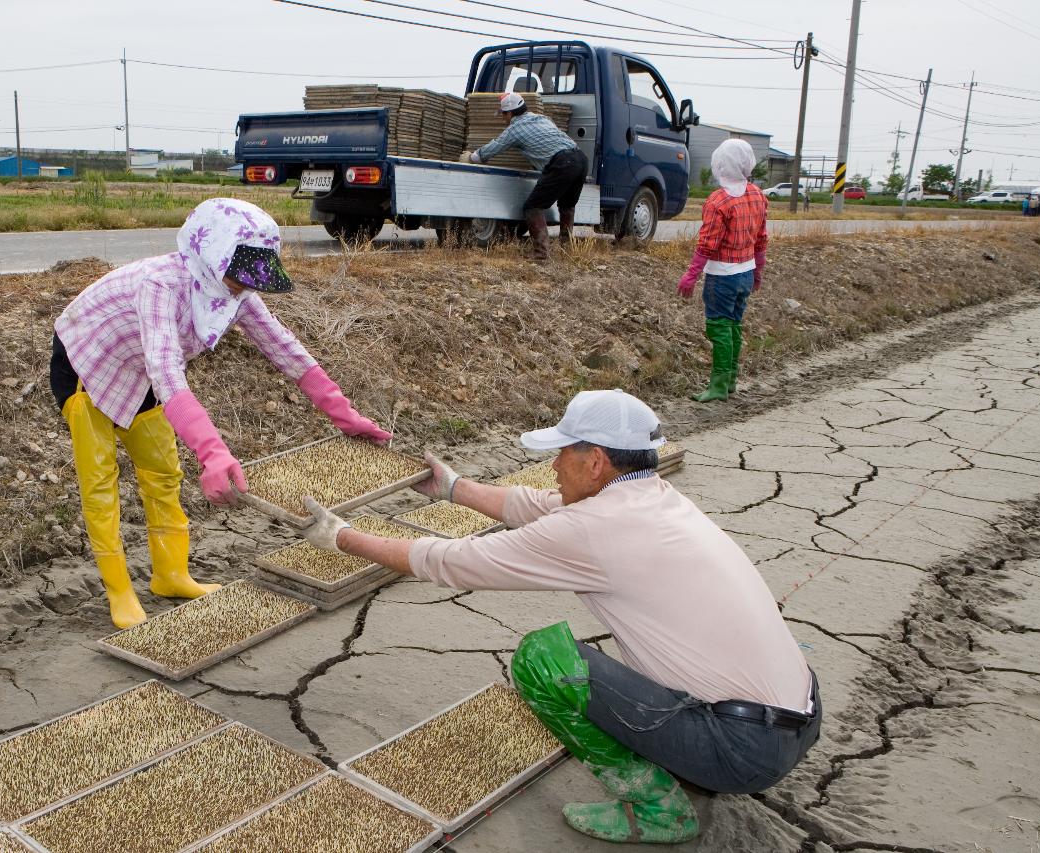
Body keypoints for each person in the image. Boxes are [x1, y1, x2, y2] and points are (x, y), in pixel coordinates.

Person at [301, 389, 821, 845]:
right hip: (796, 717)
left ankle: (657, 810)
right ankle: (693, 754)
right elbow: (540, 506)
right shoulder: (653, 499)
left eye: (562, 453)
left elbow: (454, 562)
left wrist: (343, 538)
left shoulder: (596, 530)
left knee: (544, 661)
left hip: (744, 749)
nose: (553, 465)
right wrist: (454, 488)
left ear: (595, 461)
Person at [51, 198, 391, 628]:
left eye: (251, 278)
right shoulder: (161, 284)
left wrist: (344, 414)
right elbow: (166, 369)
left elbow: (281, 346)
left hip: (146, 375)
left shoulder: (235, 292)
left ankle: (171, 576)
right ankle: (120, 591)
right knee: (101, 482)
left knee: (162, 472)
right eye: (238, 275)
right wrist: (213, 452)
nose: (241, 287)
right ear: (213, 255)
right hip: (89, 363)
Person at [676, 139, 769, 403]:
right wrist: (758, 272)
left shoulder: (718, 201)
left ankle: (717, 385)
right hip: (746, 273)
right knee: (735, 326)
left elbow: (707, 244)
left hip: (723, 276)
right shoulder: (757, 195)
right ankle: (730, 381)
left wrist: (691, 276)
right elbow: (761, 239)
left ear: (719, 165)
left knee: (719, 328)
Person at [467, 91, 589, 260]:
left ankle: (540, 253)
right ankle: (566, 250)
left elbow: (495, 147)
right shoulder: (542, 119)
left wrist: (472, 157)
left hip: (562, 163)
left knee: (532, 207)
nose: (503, 119)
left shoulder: (515, 129)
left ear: (510, 113)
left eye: (503, 115)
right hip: (580, 159)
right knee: (566, 206)